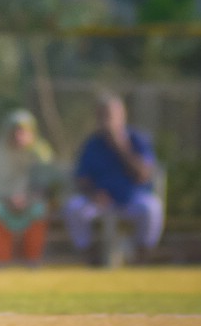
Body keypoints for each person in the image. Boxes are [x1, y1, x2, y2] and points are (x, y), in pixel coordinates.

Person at [62, 92, 164, 262]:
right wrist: (93, 194)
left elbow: (143, 175)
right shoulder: (92, 144)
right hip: (101, 201)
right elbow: (82, 179)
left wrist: (119, 146)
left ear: (122, 115)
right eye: (102, 115)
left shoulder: (138, 139)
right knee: (74, 207)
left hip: (132, 198)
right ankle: (90, 256)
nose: (106, 119)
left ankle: (142, 255)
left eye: (110, 115)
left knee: (152, 208)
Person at [0, 110, 55, 266]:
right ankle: (0, 260)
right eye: (15, 131)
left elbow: (48, 184)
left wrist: (28, 199)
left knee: (40, 209)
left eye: (23, 131)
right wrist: (8, 199)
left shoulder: (40, 153)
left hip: (31, 203)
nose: (19, 136)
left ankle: (33, 260)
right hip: (2, 203)